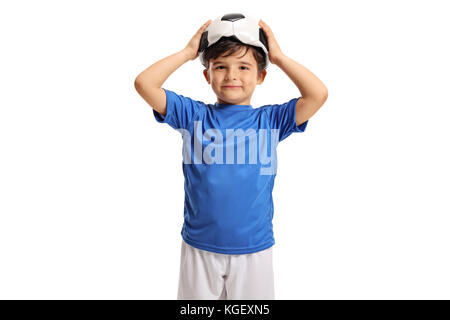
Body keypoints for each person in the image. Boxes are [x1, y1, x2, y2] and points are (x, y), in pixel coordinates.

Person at [134, 18, 328, 300]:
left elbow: (318, 94)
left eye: (244, 67)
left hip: (254, 248)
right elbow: (144, 83)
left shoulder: (270, 120)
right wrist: (188, 53)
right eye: (220, 67)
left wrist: (279, 58)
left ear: (261, 76)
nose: (231, 75)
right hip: (200, 246)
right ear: (207, 75)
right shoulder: (194, 116)